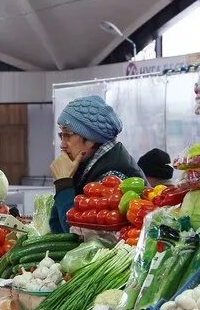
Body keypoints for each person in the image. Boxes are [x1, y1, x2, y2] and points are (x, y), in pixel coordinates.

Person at [49, 95, 145, 233]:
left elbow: (76, 233)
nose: (62, 144)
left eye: (67, 135)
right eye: (61, 135)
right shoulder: (88, 164)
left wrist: (63, 183)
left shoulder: (113, 175)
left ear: (91, 139)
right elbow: (56, 226)